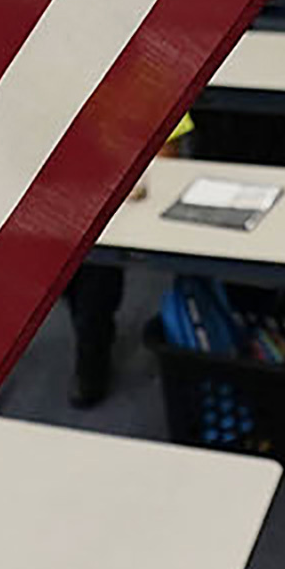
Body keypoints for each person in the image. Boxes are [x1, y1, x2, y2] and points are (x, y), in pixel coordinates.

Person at [62, 116, 193, 408]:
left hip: (118, 190)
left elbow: (166, 153)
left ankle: (92, 346)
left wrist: (141, 180)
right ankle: (91, 334)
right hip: (59, 184)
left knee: (94, 275)